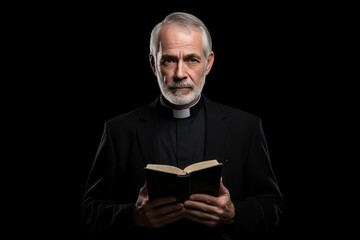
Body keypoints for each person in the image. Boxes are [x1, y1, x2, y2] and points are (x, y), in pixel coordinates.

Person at [81, 11, 284, 239]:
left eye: (191, 59)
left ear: (208, 63)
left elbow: (273, 206)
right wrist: (133, 216)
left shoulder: (246, 127)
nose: (180, 74)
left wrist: (234, 213)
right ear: (153, 64)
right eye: (169, 60)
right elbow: (90, 209)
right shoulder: (118, 130)